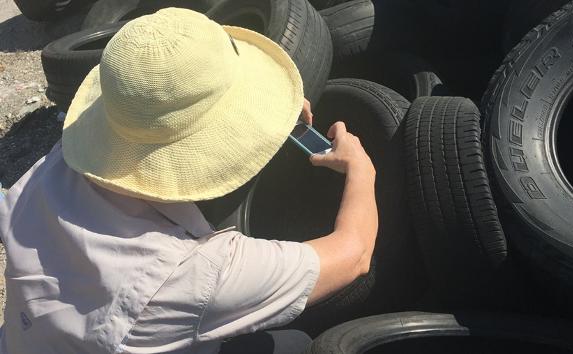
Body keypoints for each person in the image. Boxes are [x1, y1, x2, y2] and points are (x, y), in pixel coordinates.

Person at [0, 7, 378, 354]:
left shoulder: (54, 167)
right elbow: (354, 255)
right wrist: (362, 170)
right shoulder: (195, 274)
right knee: (294, 343)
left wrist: (271, 114)